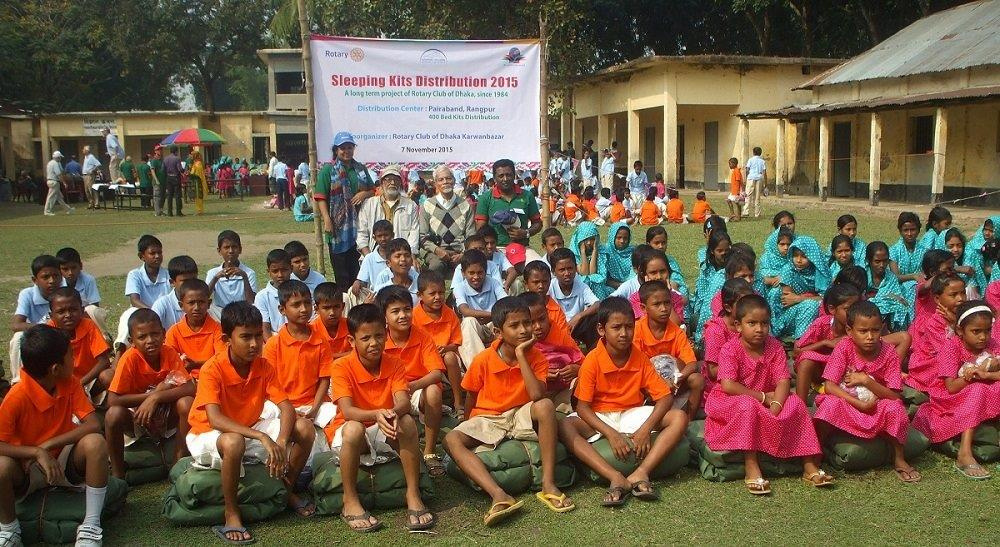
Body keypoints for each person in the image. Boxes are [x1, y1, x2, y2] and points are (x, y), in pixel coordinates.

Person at [187, 302, 316, 543]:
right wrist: (263, 437)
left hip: (248, 426)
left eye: (258, 335)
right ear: (227, 339)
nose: (255, 344)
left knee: (305, 428)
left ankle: (285, 491)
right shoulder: (211, 369)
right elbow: (214, 418)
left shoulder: (263, 364)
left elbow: (286, 407)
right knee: (235, 442)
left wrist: (281, 440)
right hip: (208, 432)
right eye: (246, 337)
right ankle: (231, 512)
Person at [443, 297, 575, 526]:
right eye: (515, 326)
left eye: (527, 323)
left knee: (545, 405)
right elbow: (471, 396)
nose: (524, 330)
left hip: (522, 412)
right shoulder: (483, 359)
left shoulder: (536, 357)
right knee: (451, 438)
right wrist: (467, 422)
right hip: (491, 416)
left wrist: (522, 355)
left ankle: (548, 484)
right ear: (497, 331)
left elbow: (536, 396)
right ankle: (498, 494)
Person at [560, 297, 688, 506]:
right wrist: (611, 435)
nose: (624, 333)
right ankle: (614, 476)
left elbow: (664, 397)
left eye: (629, 327)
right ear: (601, 330)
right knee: (564, 425)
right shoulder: (592, 359)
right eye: (616, 327)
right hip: (601, 415)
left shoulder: (639, 357)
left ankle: (641, 472)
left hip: (632, 412)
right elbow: (582, 407)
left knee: (679, 417)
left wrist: (646, 429)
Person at [705, 295, 833, 495]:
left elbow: (783, 380)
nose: (759, 329)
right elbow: (728, 385)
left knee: (798, 404)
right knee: (748, 405)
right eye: (752, 323)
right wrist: (763, 398)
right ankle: (751, 464)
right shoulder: (730, 349)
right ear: (738, 326)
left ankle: (809, 465)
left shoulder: (774, 346)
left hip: (768, 399)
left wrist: (776, 406)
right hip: (732, 400)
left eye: (764, 323)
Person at [324, 304, 435, 532]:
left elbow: (403, 401)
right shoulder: (341, 366)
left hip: (383, 424)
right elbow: (347, 411)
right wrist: (377, 414)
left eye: (378, 336)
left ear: (385, 334)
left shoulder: (394, 363)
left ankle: (413, 494)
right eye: (365, 338)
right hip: (351, 429)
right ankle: (350, 500)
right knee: (354, 428)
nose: (373, 343)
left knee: (406, 421)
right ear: (352, 341)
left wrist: (390, 413)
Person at [0, 325, 110, 547]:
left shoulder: (69, 383)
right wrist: (36, 452)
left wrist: (49, 445)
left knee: (95, 443)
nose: (75, 359)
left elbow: (93, 424)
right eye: (71, 355)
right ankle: (9, 529)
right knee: (1, 466)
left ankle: (91, 524)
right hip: (26, 467)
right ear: (55, 369)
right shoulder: (16, 397)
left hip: (62, 459)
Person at [813, 301, 920, 482]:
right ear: (849, 331)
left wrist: (865, 381)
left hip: (876, 404)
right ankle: (816, 453)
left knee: (894, 408)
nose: (870, 337)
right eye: (863, 331)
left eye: (875, 330)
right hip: (851, 402)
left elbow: (894, 394)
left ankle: (899, 458)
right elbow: (830, 386)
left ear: (882, 329)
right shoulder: (844, 347)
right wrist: (859, 404)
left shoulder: (888, 352)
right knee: (830, 403)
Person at [912, 301, 1000, 479]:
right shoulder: (951, 346)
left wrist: (985, 374)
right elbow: (951, 386)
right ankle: (964, 454)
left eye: (987, 331)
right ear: (960, 331)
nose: (983, 337)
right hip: (950, 396)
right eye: (976, 331)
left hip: (983, 386)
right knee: (978, 390)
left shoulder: (992, 344)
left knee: (987, 387)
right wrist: (973, 376)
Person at [105, 309, 194, 479]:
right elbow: (112, 400)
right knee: (112, 414)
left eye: (155, 334)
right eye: (142, 337)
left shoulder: (169, 353)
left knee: (187, 402)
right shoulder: (129, 358)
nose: (150, 341)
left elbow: (190, 388)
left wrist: (156, 397)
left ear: (163, 333)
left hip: (165, 414)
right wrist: (150, 396)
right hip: (137, 417)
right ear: (132, 341)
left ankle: (178, 460)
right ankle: (118, 473)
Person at [375, 285, 447, 476]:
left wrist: (413, 386)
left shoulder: (422, 336)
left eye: (407, 309)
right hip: (390, 392)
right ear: (384, 317)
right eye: (395, 311)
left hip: (416, 389)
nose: (403, 315)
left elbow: (436, 373)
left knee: (433, 390)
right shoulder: (379, 340)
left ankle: (430, 451)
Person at [263, 280, 336, 449]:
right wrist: (288, 409)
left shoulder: (320, 340)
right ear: (282, 309)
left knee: (339, 415)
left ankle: (332, 454)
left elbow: (324, 379)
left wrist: (315, 409)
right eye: (296, 305)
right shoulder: (274, 344)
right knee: (264, 415)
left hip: (313, 403)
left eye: (307, 303)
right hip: (281, 404)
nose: (303, 309)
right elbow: (269, 384)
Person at [634, 281, 704, 418]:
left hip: (673, 383)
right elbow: (636, 365)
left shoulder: (677, 332)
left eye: (667, 303)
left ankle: (688, 420)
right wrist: (658, 381)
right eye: (657, 304)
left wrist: (678, 378)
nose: (664, 308)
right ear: (643, 308)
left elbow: (691, 363)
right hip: (646, 382)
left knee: (697, 379)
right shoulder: (637, 330)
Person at [315, 132, 376, 286]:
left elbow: (373, 190)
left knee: (359, 272)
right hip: (337, 228)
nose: (346, 151)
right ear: (336, 150)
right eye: (343, 148)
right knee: (342, 273)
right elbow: (320, 197)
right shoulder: (328, 170)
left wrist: (364, 194)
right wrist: (327, 220)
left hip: (360, 225)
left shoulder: (360, 168)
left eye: (349, 147)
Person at [792, 284, 861, 401]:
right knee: (806, 360)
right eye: (848, 309)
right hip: (821, 371)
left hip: (847, 374)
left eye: (856, 308)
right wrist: (825, 343)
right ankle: (800, 407)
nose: (853, 313)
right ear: (832, 309)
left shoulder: (860, 327)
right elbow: (796, 352)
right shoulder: (822, 323)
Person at [413, 271, 464, 417]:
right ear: (420, 295)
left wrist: (445, 348)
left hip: (447, 357)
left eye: (441, 293)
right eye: (432, 293)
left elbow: (456, 343)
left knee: (450, 357)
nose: (438, 297)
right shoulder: (414, 316)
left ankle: (458, 402)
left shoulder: (449, 314)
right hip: (424, 359)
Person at [116, 235, 171, 352]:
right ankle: (120, 351)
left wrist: (158, 313)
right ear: (142, 256)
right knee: (129, 314)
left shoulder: (168, 274)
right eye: (152, 253)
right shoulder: (135, 275)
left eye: (160, 252)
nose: (157, 256)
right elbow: (134, 300)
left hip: (164, 314)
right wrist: (152, 313)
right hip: (143, 314)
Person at [453, 249, 508, 365]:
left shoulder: (493, 283)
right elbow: (465, 311)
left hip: (494, 325)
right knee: (468, 322)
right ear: (463, 273)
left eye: (480, 272)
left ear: (486, 271)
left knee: (506, 320)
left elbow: (505, 304)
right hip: (475, 328)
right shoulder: (460, 287)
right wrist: (492, 314)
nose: (476, 277)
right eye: (471, 273)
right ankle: (480, 367)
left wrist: (492, 317)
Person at [419, 165, 475, 277]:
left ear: (454, 181)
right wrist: (438, 250)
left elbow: (471, 236)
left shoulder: (465, 205)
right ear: (435, 183)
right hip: (435, 251)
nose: (445, 182)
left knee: (471, 267)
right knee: (436, 266)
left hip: (459, 252)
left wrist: (463, 254)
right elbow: (422, 237)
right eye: (441, 179)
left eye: (448, 178)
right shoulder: (427, 205)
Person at [164, 279, 225, 378]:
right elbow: (169, 361)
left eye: (201, 302)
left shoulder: (218, 329)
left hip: (213, 377)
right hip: (184, 380)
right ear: (181, 305)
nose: (197, 307)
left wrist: (196, 364)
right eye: (191, 303)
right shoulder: (174, 332)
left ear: (209, 303)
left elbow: (222, 360)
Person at [474, 159, 542, 247]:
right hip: (496, 249)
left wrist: (526, 233)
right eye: (501, 176)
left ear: (514, 176)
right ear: (494, 178)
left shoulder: (527, 196)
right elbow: (480, 229)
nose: (505, 179)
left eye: (508, 175)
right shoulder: (485, 198)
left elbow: (538, 223)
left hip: (522, 248)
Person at [357, 165, 419, 255]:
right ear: (382, 183)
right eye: (388, 179)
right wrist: (368, 257)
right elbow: (361, 232)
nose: (392, 183)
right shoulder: (369, 204)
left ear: (400, 184)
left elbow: (414, 233)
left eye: (396, 180)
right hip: (373, 252)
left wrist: (410, 254)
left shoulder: (410, 205)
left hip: (401, 255)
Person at [549, 247, 600, 349]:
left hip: (576, 326)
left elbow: (598, 304)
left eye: (570, 268)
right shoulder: (550, 287)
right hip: (556, 327)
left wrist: (579, 316)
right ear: (553, 272)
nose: (567, 273)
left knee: (595, 318)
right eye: (562, 270)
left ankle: (593, 353)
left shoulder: (581, 285)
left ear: (576, 268)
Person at [56, 247, 111, 338]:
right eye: (65, 269)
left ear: (80, 266)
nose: (70, 272)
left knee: (92, 310)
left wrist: (79, 315)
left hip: (84, 316)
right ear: (59, 270)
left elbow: (95, 306)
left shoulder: (88, 280)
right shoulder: (57, 282)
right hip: (65, 317)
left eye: (74, 268)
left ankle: (103, 336)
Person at [206, 230, 258, 319]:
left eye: (234, 247)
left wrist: (244, 277)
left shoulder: (249, 273)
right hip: (220, 313)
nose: (231, 251)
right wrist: (216, 278)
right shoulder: (213, 273)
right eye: (226, 247)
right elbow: (204, 296)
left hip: (242, 313)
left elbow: (251, 301)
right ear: (219, 251)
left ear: (240, 249)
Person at [151, 255, 199, 331]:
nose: (191, 284)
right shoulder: (162, 305)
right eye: (185, 281)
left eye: (194, 279)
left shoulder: (202, 303)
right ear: (172, 282)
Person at [254, 249, 293, 340]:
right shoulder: (262, 296)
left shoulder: (299, 291)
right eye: (275, 271)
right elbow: (265, 328)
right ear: (269, 272)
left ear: (291, 269)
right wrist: (273, 348)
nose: (280, 275)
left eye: (284, 270)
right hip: (273, 340)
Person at [370, 239, 420, 304]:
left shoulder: (421, 287)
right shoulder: (382, 291)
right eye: (397, 256)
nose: (403, 259)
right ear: (388, 263)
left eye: (407, 255)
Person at [311, 282, 352, 359]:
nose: (332, 313)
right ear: (316, 309)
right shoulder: (311, 330)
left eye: (336, 307)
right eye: (326, 308)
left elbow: (360, 352)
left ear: (343, 306)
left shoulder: (351, 326)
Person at [43, 151, 73, 216]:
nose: (60, 159)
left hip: (51, 181)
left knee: (59, 197)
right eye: (60, 157)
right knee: (51, 197)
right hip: (54, 182)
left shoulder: (50, 163)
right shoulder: (55, 163)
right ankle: (47, 211)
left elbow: (61, 171)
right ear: (58, 157)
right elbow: (59, 174)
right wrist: (64, 183)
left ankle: (68, 209)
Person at [742, 147, 766, 219]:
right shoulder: (762, 161)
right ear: (760, 153)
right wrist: (766, 184)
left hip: (751, 177)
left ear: (753, 153)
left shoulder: (750, 160)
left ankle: (746, 211)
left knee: (748, 195)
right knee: (757, 196)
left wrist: (746, 178)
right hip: (759, 178)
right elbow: (764, 172)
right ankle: (757, 213)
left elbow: (747, 169)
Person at [162, 145, 184, 216]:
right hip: (176, 178)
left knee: (169, 196)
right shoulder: (177, 159)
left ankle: (169, 212)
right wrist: (184, 170)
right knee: (177, 195)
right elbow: (180, 169)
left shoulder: (165, 158)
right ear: (176, 151)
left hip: (168, 178)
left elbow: (163, 170)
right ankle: (178, 212)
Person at [81, 145, 101, 210]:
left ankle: (96, 203)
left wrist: (92, 170)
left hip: (89, 175)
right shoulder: (85, 157)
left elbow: (98, 164)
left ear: (87, 151)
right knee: (86, 190)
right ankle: (91, 203)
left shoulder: (91, 157)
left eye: (84, 149)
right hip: (84, 175)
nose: (83, 150)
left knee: (91, 189)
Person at [189, 150, 208, 215]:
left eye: (191, 155)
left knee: (198, 196)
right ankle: (199, 210)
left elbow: (197, 174)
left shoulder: (198, 164)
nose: (190, 156)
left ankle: (199, 211)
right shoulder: (195, 163)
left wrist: (191, 172)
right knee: (196, 197)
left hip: (198, 182)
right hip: (195, 181)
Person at [149, 146, 165, 216]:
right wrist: (156, 180)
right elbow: (152, 171)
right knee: (157, 197)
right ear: (155, 151)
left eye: (161, 149)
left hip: (163, 181)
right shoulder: (154, 160)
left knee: (163, 196)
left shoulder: (162, 160)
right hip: (157, 182)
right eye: (158, 150)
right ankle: (157, 212)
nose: (160, 151)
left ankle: (161, 210)